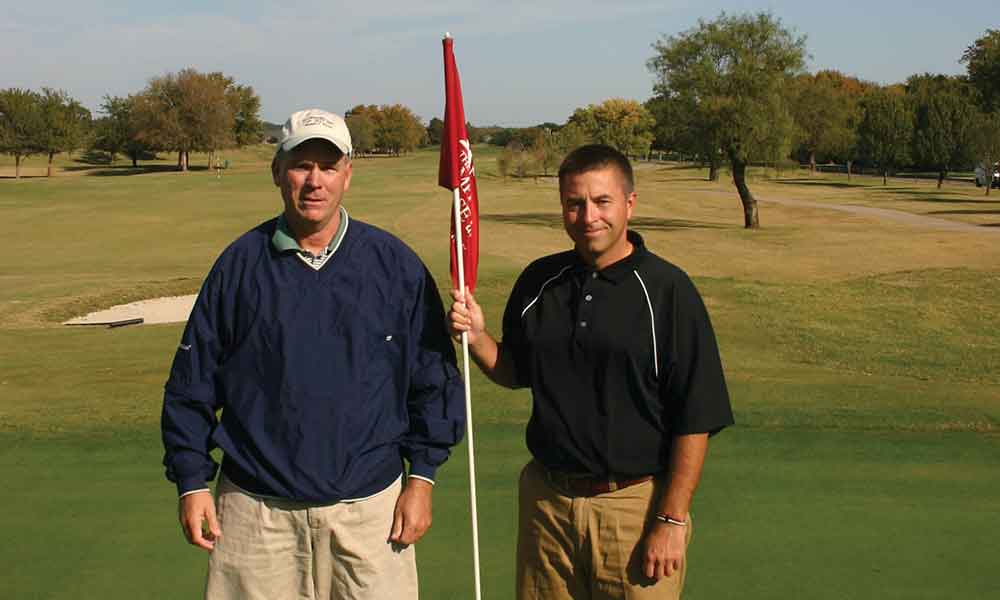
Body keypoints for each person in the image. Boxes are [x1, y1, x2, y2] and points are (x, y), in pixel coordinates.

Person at [161, 108, 465, 600]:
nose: (314, 181)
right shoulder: (239, 266)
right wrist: (192, 481)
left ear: (348, 174)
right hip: (256, 517)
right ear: (278, 171)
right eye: (302, 165)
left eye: (328, 166)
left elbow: (433, 381)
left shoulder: (394, 266)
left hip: (371, 513)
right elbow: (191, 382)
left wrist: (423, 478)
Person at [449, 144, 733, 600]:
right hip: (547, 504)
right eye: (574, 203)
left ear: (629, 204)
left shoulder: (667, 291)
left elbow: (695, 416)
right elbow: (515, 371)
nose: (588, 216)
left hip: (632, 508)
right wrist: (478, 338)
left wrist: (671, 519)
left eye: (602, 202)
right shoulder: (540, 281)